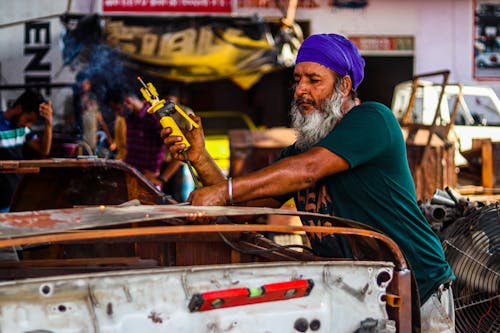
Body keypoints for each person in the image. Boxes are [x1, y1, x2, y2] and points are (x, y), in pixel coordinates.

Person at [161, 33, 456, 332]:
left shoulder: (373, 119)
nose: (301, 89)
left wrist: (223, 191)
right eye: (298, 79)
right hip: (362, 293)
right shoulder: (299, 153)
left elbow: (308, 171)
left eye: (314, 80)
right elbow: (244, 210)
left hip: (419, 289)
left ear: (344, 86)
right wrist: (200, 158)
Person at [0, 89, 53, 212]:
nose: (28, 125)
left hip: (17, 200)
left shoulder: (22, 129)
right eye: (28, 120)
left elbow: (44, 151)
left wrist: (49, 123)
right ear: (19, 108)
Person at [77, 77, 115, 155]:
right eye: (82, 83)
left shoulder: (93, 102)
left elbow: (101, 121)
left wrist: (109, 140)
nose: (84, 85)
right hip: (80, 140)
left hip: (91, 140)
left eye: (86, 83)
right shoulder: (77, 101)